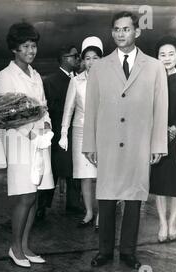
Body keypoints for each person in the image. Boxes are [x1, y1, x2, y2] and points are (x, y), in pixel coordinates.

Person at [82, 11, 168, 269]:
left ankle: (129, 252)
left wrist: (157, 145)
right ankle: (105, 251)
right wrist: (89, 144)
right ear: (112, 33)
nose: (121, 34)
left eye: (126, 29)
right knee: (106, 197)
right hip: (108, 142)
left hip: (138, 143)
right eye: (117, 29)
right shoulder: (99, 67)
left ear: (137, 32)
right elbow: (91, 108)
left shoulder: (154, 67)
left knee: (134, 199)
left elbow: (160, 109)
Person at [0, 22, 54, 268]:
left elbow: (43, 106)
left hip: (41, 140)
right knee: (25, 196)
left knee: (36, 196)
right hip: (20, 141)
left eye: (34, 46)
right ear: (15, 49)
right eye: (26, 47)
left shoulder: (36, 74)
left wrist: (48, 126)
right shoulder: (5, 76)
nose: (31, 51)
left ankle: (26, 245)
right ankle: (15, 247)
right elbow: (8, 114)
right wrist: (32, 133)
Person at [59, 36, 103, 230]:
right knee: (85, 175)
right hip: (80, 132)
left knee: (103, 175)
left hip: (103, 132)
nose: (91, 62)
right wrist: (63, 133)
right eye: (87, 58)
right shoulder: (76, 81)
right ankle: (89, 212)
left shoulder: (109, 81)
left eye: (95, 58)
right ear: (83, 61)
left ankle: (102, 214)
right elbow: (68, 109)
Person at [36, 44, 83, 220]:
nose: (78, 59)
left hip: (74, 133)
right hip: (57, 134)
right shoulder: (50, 81)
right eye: (75, 56)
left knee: (74, 169)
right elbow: (48, 108)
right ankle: (41, 206)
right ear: (65, 58)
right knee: (52, 171)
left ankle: (73, 203)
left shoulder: (78, 79)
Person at [150, 36, 176, 243]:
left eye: (171, 54)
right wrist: (160, 129)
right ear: (157, 58)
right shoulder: (153, 79)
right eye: (163, 54)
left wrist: (175, 127)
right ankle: (162, 222)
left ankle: (173, 223)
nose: (167, 58)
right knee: (160, 183)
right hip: (158, 138)